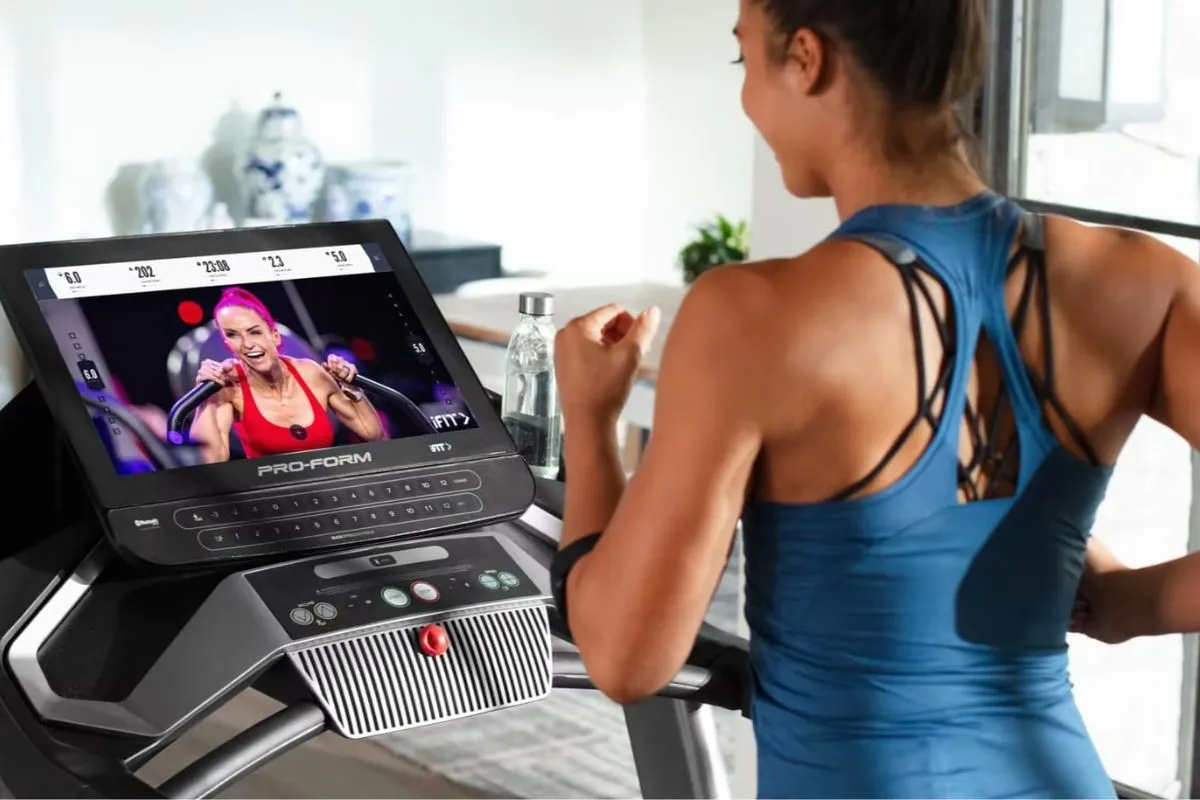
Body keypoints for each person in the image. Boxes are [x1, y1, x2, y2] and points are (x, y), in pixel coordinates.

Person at [548, 0, 1200, 796]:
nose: (746, 96)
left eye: (742, 60)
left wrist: (590, 417)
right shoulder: (1148, 283)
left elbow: (625, 657)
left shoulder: (751, 316)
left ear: (807, 59)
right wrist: (1134, 602)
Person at [191, 287, 385, 463]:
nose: (247, 344)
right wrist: (205, 397)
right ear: (227, 344)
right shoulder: (229, 387)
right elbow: (210, 460)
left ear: (274, 336)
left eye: (254, 332)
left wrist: (351, 387)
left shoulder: (310, 373)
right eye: (233, 335)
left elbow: (371, 431)